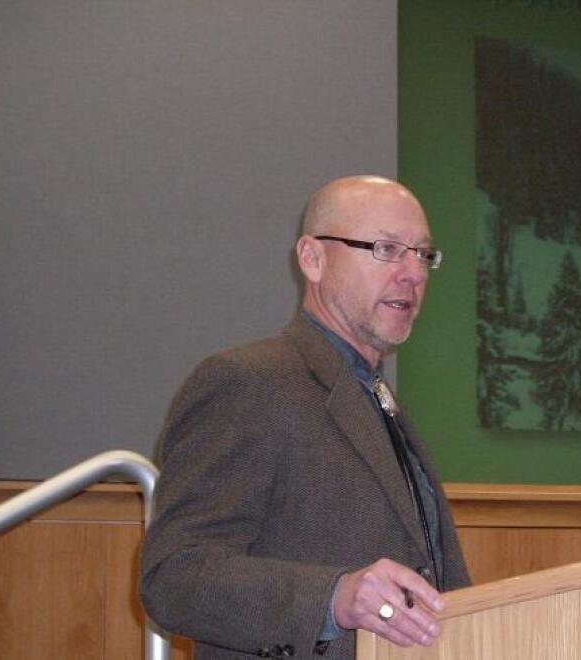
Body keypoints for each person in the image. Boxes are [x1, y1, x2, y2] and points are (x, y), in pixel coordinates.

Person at [140, 175, 470, 659]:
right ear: (313, 259)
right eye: (385, 248)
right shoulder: (248, 383)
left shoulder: (376, 397)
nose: (412, 273)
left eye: (422, 254)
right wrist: (335, 597)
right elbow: (174, 576)